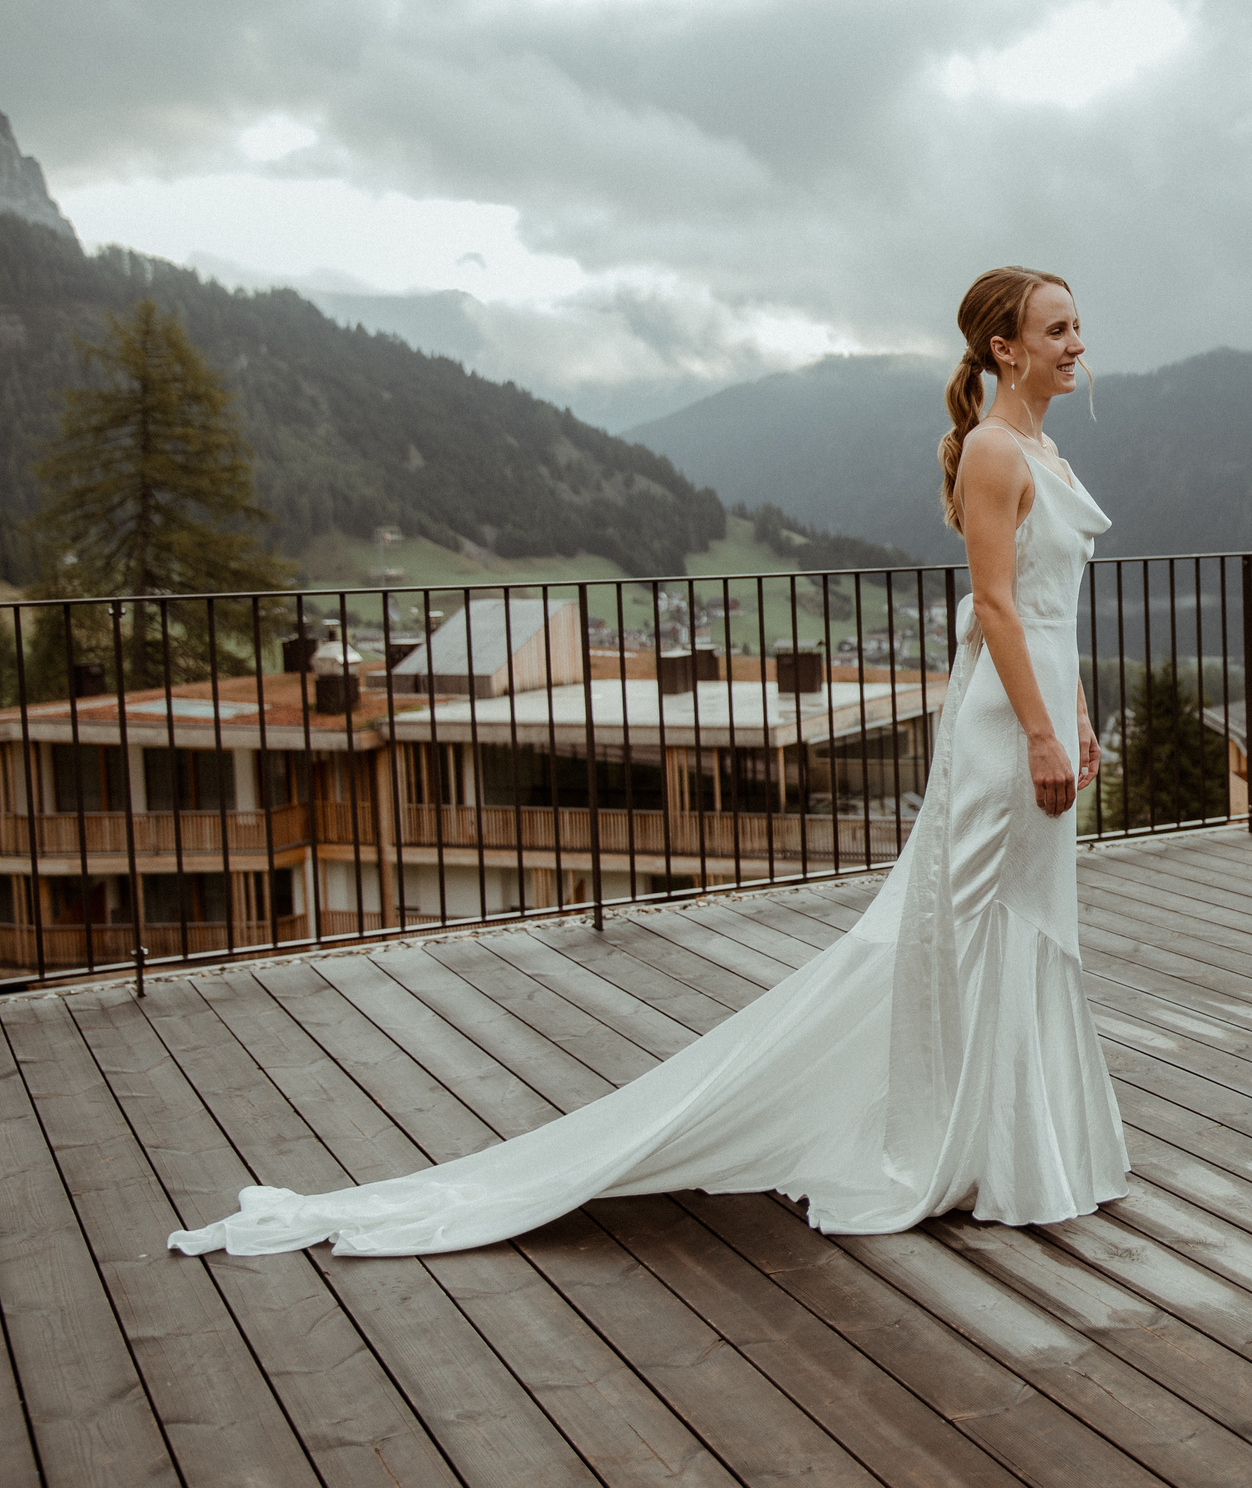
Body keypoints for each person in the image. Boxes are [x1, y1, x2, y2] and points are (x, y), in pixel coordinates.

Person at [170, 266, 1129, 1258]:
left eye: (1075, 326)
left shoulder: (1045, 451)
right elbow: (997, 610)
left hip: (1038, 708)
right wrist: (1041, 733)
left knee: (1029, 925)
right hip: (1000, 731)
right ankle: (961, 1141)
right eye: (1055, 329)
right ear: (1003, 348)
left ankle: (1019, 1144)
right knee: (975, 926)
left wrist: (1079, 711)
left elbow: (1049, 610)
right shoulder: (990, 450)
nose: (1074, 344)